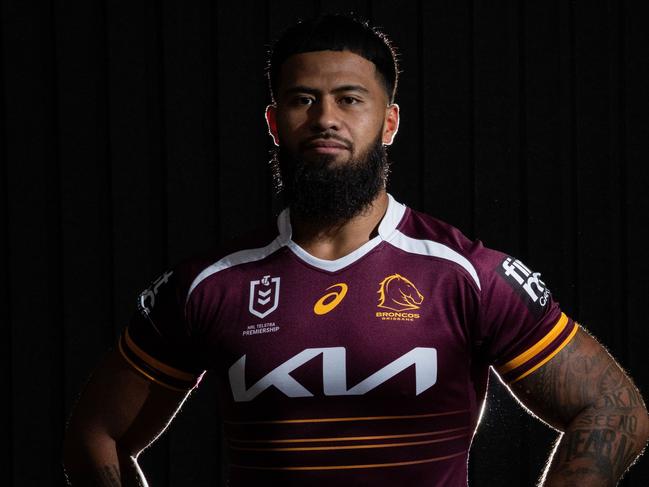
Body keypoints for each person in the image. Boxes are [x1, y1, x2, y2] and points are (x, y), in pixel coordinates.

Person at [63, 14, 649, 486]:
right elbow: (95, 431)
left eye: (350, 99)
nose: (325, 119)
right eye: (302, 100)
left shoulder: (464, 274)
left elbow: (615, 408)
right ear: (274, 122)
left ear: (389, 122)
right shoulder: (210, 285)